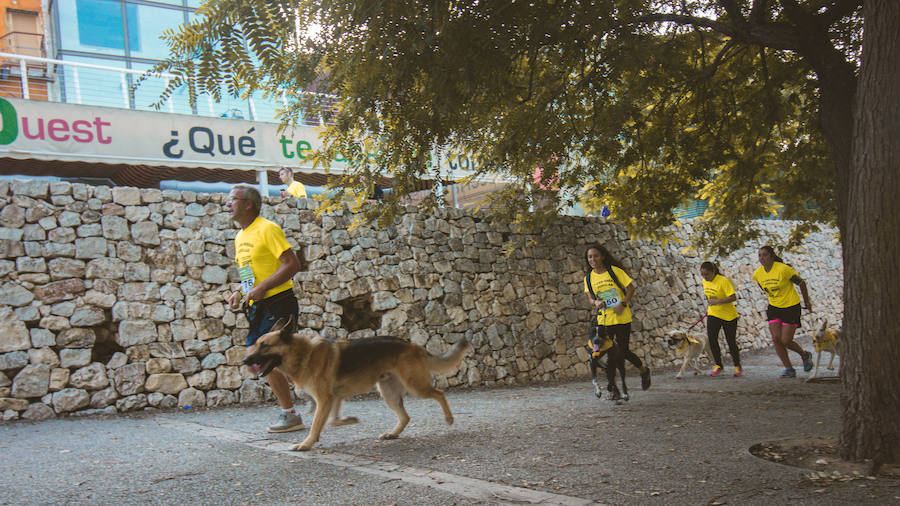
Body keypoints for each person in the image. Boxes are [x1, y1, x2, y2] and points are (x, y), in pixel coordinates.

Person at [225, 184, 305, 432]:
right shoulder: (240, 236)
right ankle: (309, 393)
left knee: (268, 360)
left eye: (233, 199)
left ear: (248, 204)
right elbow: (249, 275)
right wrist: (240, 292)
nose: (228, 204)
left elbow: (292, 265)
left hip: (279, 302)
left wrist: (263, 288)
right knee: (256, 363)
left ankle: (293, 410)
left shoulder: (267, 229)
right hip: (257, 306)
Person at [583, 243, 651, 399]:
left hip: (621, 318)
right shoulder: (588, 278)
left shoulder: (615, 272)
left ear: (603, 257)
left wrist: (623, 303)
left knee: (623, 352)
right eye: (590, 257)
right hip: (604, 320)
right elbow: (591, 299)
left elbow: (631, 288)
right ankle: (614, 388)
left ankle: (643, 371)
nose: (593, 259)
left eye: (596, 256)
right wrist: (596, 303)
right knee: (609, 354)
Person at [751, 245, 813, 378]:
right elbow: (763, 286)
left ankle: (805, 355)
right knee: (776, 339)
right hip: (774, 307)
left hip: (791, 306)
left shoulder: (784, 269)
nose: (762, 258)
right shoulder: (758, 274)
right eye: (760, 255)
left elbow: (801, 283)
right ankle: (789, 369)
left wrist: (807, 302)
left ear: (771, 256)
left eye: (765, 255)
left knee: (785, 340)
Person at [699, 261, 742, 377]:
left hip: (729, 316)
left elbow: (733, 297)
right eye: (703, 275)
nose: (705, 277)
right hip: (713, 314)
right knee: (712, 339)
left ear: (713, 272)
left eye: (707, 274)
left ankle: (737, 365)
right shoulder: (705, 282)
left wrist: (718, 301)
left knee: (731, 341)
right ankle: (718, 365)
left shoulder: (723, 281)